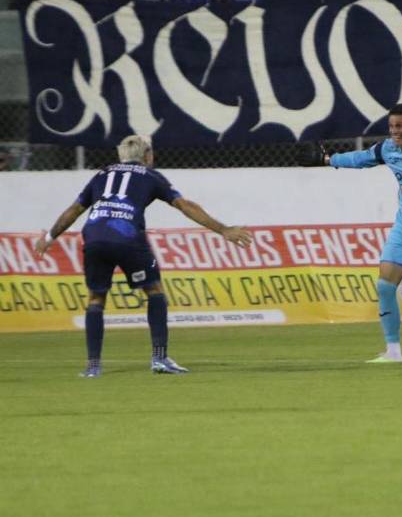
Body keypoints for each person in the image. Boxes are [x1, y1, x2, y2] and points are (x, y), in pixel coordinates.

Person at [33, 135, 253, 378]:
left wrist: (49, 238)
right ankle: (159, 358)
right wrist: (223, 229)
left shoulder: (101, 175)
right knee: (154, 291)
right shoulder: (150, 176)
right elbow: (184, 205)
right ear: (148, 155)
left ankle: (93, 366)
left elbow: (73, 211)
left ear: (121, 155)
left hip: (94, 237)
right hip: (127, 236)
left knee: (96, 299)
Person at [300, 104, 402, 364]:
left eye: (399, 126)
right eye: (391, 127)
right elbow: (360, 158)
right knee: (385, 285)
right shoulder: (388, 149)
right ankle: (393, 351)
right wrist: (327, 159)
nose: (394, 132)